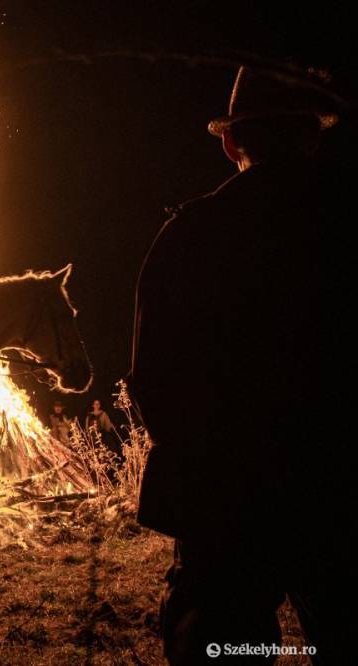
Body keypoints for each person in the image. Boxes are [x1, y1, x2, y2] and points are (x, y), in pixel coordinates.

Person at [129, 66, 343, 663]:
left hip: (229, 501)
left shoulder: (194, 234)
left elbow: (155, 381)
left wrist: (209, 461)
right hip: (337, 489)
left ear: (231, 142)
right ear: (313, 134)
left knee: (229, 647)